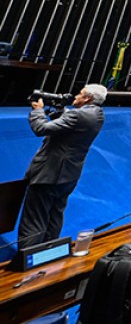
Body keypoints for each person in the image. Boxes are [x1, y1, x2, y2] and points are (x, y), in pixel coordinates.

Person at [18, 84, 107, 249]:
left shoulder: (77, 115)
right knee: (55, 216)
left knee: (34, 219)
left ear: (87, 98)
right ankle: (50, 253)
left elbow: (41, 128)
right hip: (69, 175)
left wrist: (38, 110)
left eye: (80, 93)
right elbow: (71, 124)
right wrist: (61, 110)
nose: (76, 96)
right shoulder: (98, 115)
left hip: (49, 174)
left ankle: (27, 256)